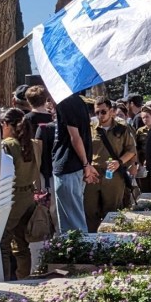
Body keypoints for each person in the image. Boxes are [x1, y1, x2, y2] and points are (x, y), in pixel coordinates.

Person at [85, 98, 137, 232]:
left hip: (113, 175)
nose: (100, 115)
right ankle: (92, 238)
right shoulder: (89, 128)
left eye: (103, 112)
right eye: (97, 112)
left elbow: (131, 150)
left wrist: (119, 162)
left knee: (112, 211)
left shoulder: (122, 128)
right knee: (90, 210)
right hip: (93, 174)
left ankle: (111, 238)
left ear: (111, 111)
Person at [50, 91, 98, 234]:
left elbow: (75, 137)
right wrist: (87, 164)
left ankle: (78, 247)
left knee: (72, 224)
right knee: (74, 218)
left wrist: (86, 164)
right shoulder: (79, 101)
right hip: (74, 166)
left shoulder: (65, 101)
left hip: (68, 166)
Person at [0, 108, 38, 279]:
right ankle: (24, 277)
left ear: (7, 125)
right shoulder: (31, 143)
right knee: (21, 243)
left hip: (12, 197)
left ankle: (5, 280)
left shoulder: (7, 145)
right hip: (28, 196)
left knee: (3, 243)